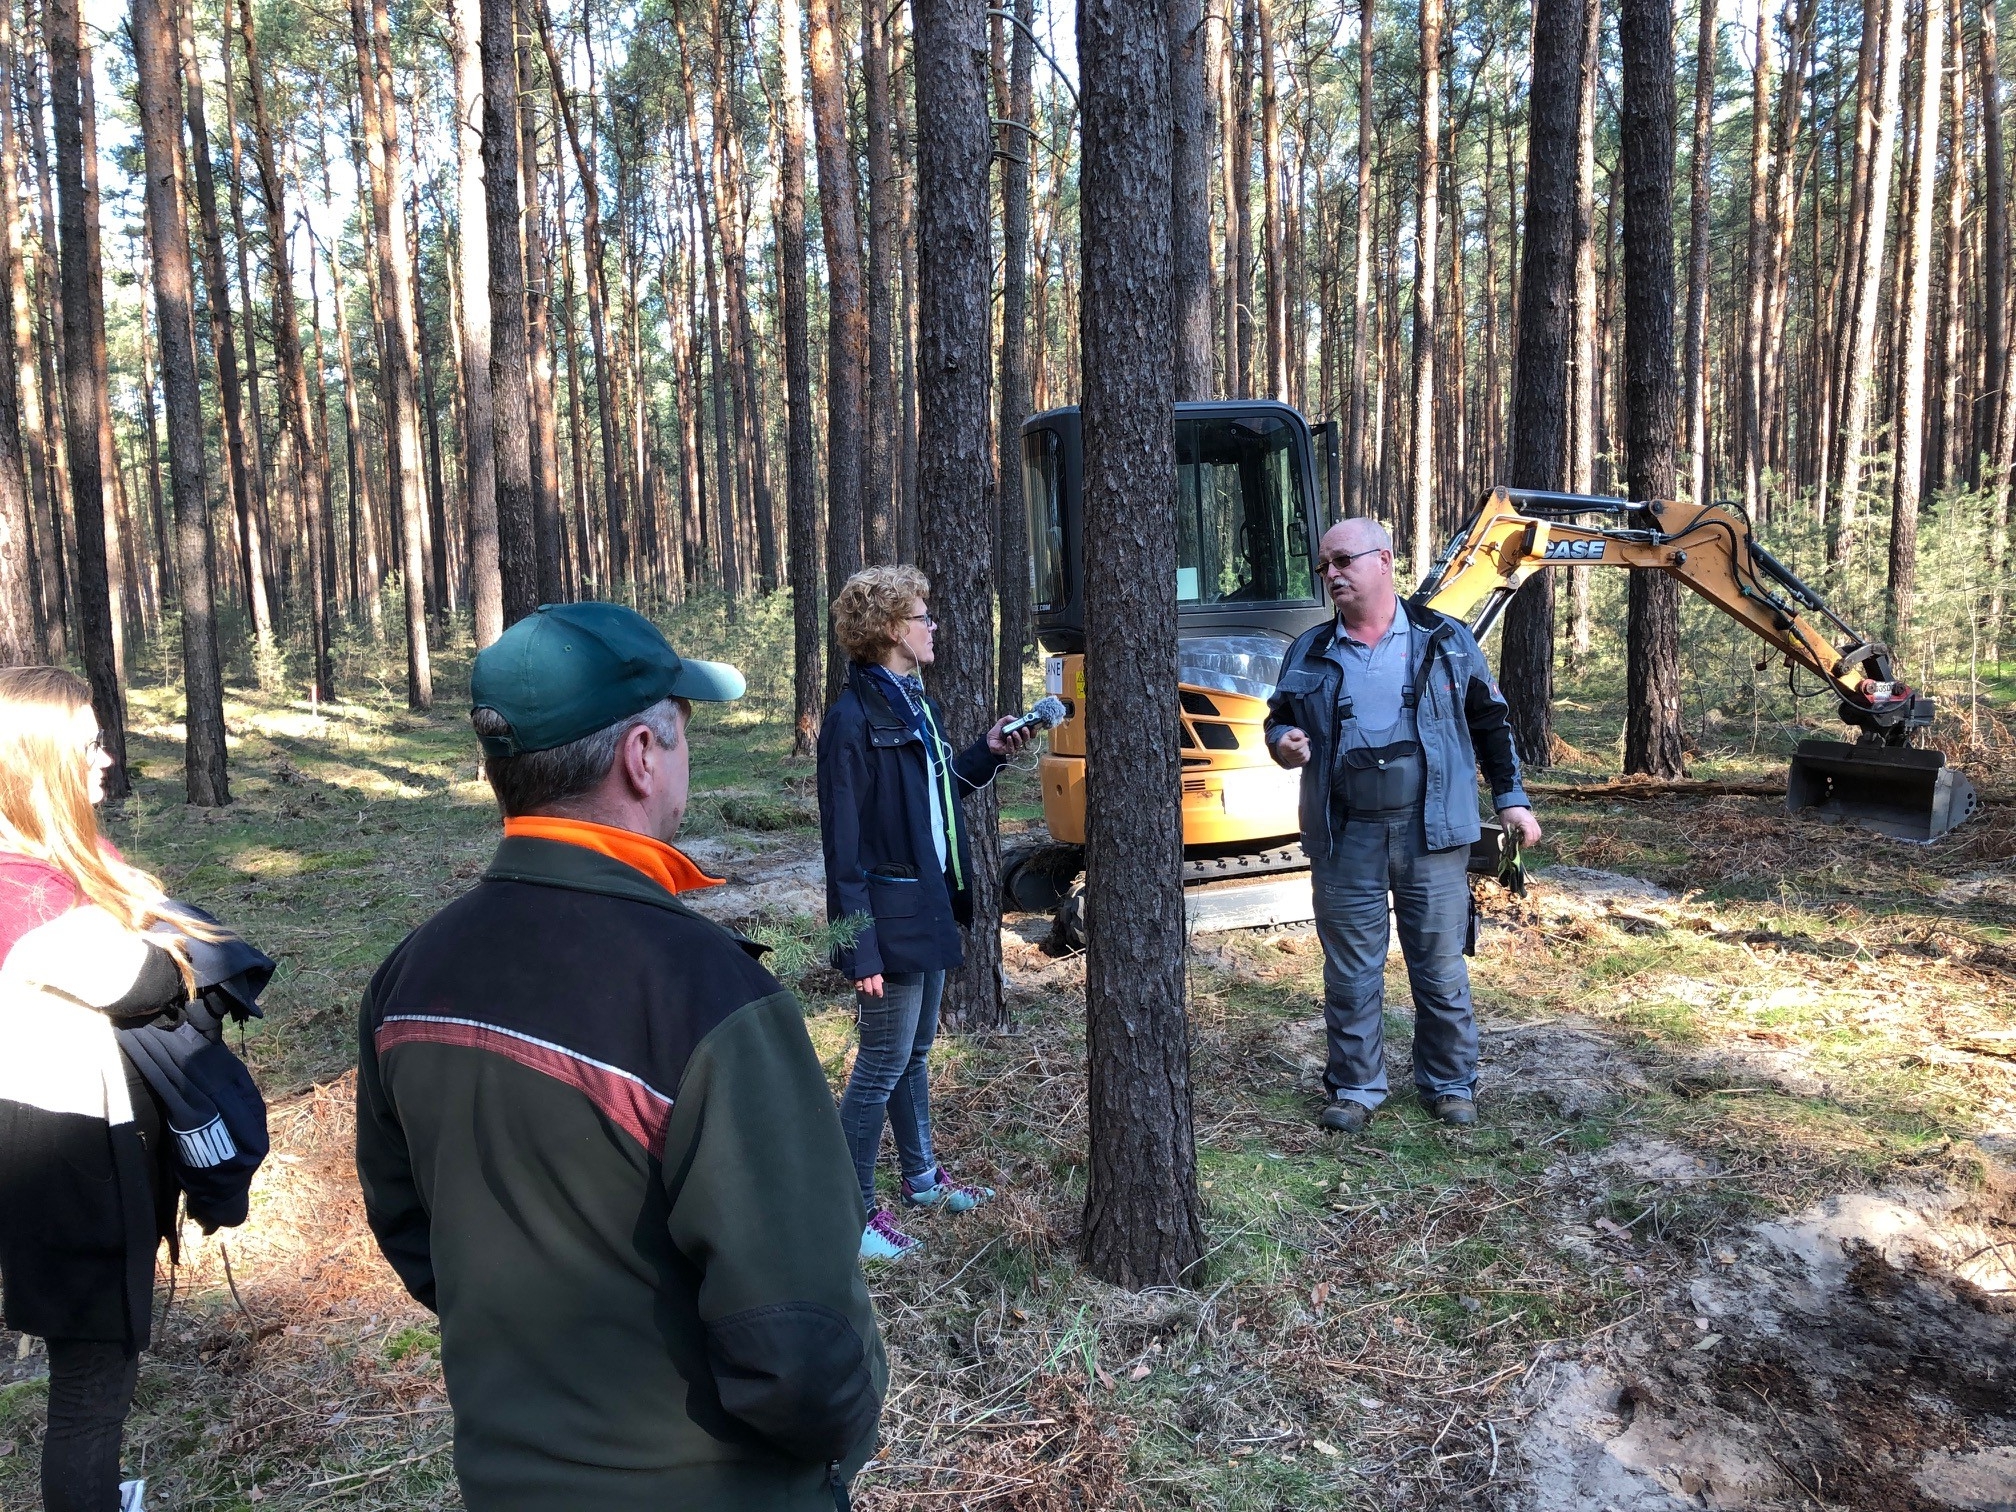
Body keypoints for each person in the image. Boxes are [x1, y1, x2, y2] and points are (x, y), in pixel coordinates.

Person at [355, 602, 885, 1512]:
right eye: (680, 734)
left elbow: (414, 1232)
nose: (685, 758)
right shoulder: (705, 996)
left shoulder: (410, 974)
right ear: (642, 756)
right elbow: (802, 1350)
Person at [1265, 518, 1542, 1133]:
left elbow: (1490, 721)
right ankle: (1356, 1088)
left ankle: (1449, 1085)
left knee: (1440, 967)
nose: (1331, 573)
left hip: (1433, 832)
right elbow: (1278, 720)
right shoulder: (1309, 650)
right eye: (1324, 565)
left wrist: (1511, 799)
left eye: (1342, 560)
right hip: (1345, 836)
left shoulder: (1445, 639)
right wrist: (1282, 741)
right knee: (1350, 971)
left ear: (1383, 560)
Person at [0, 667, 200, 1512]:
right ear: (36, 763)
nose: (106, 759)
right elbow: (155, 973)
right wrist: (170, 940)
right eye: (86, 745)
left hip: (44, 1147)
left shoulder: (46, 872)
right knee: (90, 1389)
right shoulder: (34, 897)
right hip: (64, 1157)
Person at [817, 566, 1031, 1262]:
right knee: (880, 1064)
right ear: (888, 630)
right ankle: (848, 1215)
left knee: (913, 1054)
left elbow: (934, 799)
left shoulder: (912, 703)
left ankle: (920, 1178)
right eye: (921, 617)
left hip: (930, 904)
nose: (932, 627)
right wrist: (860, 948)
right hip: (889, 916)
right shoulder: (852, 721)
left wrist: (987, 754)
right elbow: (841, 847)